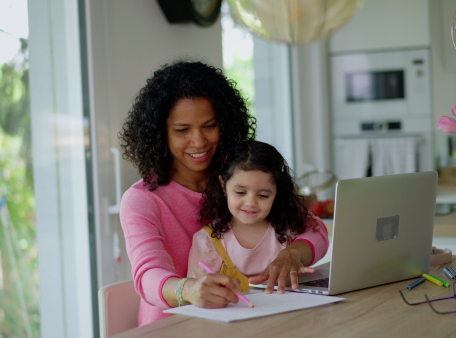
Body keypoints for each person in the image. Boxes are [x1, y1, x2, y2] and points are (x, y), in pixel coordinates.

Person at [119, 59, 329, 326]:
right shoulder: (143, 200)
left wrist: (294, 254)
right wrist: (189, 289)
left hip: (252, 320)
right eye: (182, 130)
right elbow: (147, 277)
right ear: (160, 134)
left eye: (209, 126)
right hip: (173, 327)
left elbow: (316, 230)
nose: (199, 141)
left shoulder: (242, 179)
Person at [187, 140, 320, 292]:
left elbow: (318, 232)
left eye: (263, 195)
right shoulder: (206, 242)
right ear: (223, 185)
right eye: (240, 192)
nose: (250, 203)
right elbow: (196, 295)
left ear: (277, 193)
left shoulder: (290, 229)